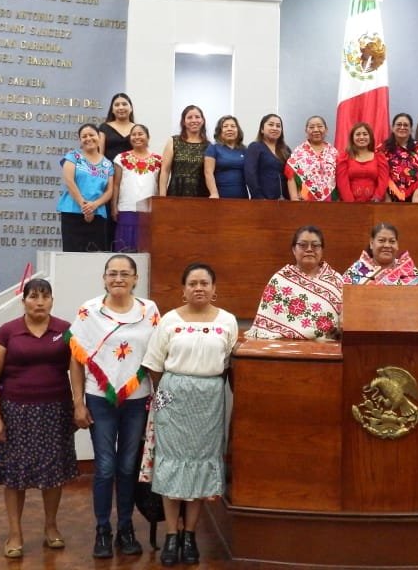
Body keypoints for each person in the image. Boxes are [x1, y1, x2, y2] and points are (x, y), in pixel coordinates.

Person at [143, 263, 238, 566]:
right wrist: (166, 402)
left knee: (199, 465)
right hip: (171, 395)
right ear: (183, 290)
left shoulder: (228, 321)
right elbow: (155, 368)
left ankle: (190, 535)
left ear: (214, 288)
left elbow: (231, 367)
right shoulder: (169, 320)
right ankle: (172, 535)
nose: (199, 288)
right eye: (193, 283)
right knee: (171, 463)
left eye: (205, 283)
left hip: (209, 401)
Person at [68, 254, 161, 559]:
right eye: (112, 273)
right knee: (105, 467)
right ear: (104, 277)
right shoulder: (89, 312)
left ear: (136, 279)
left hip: (137, 400)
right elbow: (77, 357)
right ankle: (102, 529)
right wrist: (78, 402)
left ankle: (125, 528)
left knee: (126, 467)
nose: (118, 278)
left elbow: (158, 355)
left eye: (125, 274)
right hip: (100, 399)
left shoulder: (150, 311)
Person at [0, 278, 79, 559]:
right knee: (15, 475)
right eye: (34, 296)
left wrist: (78, 404)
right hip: (16, 412)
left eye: (45, 296)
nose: (40, 302)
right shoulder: (8, 331)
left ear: (52, 300)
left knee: (53, 473)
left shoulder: (64, 330)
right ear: (23, 300)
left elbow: (76, 369)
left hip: (55, 411)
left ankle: (51, 527)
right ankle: (15, 533)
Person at [246, 225, 344, 340]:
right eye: (303, 245)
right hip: (285, 348)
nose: (309, 249)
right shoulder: (280, 280)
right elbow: (264, 329)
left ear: (322, 250)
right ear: (293, 249)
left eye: (315, 245)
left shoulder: (336, 280)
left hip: (328, 349)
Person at [58, 123, 115, 252]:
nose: (88, 138)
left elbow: (109, 191)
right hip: (72, 212)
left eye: (91, 135)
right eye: (84, 136)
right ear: (80, 140)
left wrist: (94, 206)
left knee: (95, 255)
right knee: (72, 254)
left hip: (98, 215)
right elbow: (69, 181)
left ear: (99, 137)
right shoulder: (73, 157)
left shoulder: (107, 164)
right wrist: (84, 206)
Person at [111, 123, 161, 252]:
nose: (137, 137)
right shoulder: (121, 158)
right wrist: (114, 206)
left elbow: (160, 186)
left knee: (146, 250)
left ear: (148, 137)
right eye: (133, 134)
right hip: (126, 208)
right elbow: (116, 184)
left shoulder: (158, 160)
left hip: (149, 211)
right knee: (125, 248)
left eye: (140, 134)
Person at [344, 223, 418, 286]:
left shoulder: (410, 272)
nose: (387, 245)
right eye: (381, 240)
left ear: (397, 245)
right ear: (372, 244)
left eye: (392, 241)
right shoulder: (355, 272)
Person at [382, 112, 418, 202]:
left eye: (406, 125)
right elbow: (379, 175)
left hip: (417, 199)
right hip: (390, 199)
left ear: (411, 129)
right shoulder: (383, 149)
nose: (402, 127)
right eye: (399, 124)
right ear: (392, 128)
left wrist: (417, 196)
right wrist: (386, 197)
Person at [160, 105, 210, 198]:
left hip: (200, 193)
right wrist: (162, 196)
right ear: (183, 121)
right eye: (189, 117)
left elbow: (210, 173)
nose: (194, 120)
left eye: (197, 117)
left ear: (202, 120)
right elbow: (165, 170)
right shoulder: (173, 141)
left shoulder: (209, 146)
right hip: (176, 191)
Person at [285, 115, 338, 201]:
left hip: (331, 203)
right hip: (303, 202)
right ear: (306, 130)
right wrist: (294, 198)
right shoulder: (299, 152)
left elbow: (340, 178)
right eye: (311, 127)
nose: (316, 130)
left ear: (326, 129)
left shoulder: (334, 153)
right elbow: (290, 177)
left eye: (320, 126)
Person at [336, 122, 389, 202]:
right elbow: (342, 183)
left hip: (375, 205)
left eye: (365, 134)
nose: (361, 137)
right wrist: (350, 203)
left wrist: (377, 197)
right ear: (352, 138)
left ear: (370, 137)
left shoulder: (379, 157)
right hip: (349, 205)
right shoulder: (344, 157)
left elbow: (383, 180)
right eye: (358, 134)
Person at [244, 113, 290, 200]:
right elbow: (250, 175)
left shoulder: (286, 149)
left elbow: (291, 175)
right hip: (263, 201)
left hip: (285, 201)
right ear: (262, 129)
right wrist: (260, 198)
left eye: (278, 126)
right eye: (271, 125)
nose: (275, 128)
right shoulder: (255, 147)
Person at [203, 115, 249, 199]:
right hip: (220, 197)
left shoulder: (244, 150)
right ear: (220, 131)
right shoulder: (213, 148)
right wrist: (214, 193)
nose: (229, 129)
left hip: (242, 196)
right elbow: (208, 172)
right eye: (225, 126)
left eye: (233, 126)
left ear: (238, 130)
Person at [99, 92, 136, 161]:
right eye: (117, 105)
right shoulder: (104, 127)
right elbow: (100, 154)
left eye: (124, 104)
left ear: (131, 108)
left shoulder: (137, 129)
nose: (121, 107)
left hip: (132, 170)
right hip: (109, 170)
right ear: (112, 110)